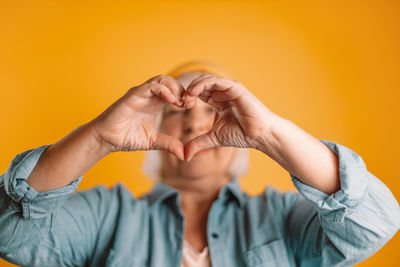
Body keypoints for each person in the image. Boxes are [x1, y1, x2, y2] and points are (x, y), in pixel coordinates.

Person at [0, 61, 399, 267]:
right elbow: (9, 232)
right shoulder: (110, 216)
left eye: (212, 111)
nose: (193, 121)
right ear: (152, 131)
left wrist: (270, 133)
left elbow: (375, 223)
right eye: (178, 111)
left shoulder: (281, 217)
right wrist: (99, 137)